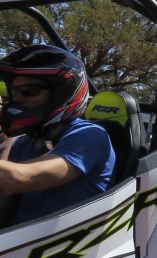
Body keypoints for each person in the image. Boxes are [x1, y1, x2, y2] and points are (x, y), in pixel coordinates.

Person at [0, 45, 115, 225]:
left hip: (69, 247)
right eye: (13, 92)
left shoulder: (89, 136)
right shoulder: (23, 143)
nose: (18, 99)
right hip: (20, 244)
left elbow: (18, 178)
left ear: (61, 93)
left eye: (28, 91)